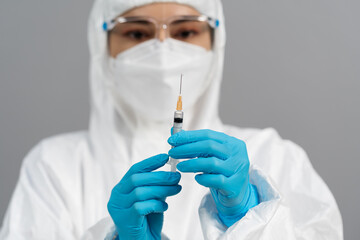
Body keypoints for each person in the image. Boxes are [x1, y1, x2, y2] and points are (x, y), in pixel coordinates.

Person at [0, 0, 343, 239]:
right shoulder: (54, 166)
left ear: (215, 41)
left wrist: (250, 216)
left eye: (185, 33)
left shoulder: (275, 156)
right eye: (136, 34)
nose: (163, 51)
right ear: (101, 44)